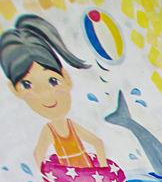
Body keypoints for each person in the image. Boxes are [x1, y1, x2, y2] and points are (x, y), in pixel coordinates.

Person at [1, 14, 110, 173]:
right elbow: (38, 153)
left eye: (53, 81)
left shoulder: (72, 127)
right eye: (27, 84)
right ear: (14, 90)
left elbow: (97, 142)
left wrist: (103, 169)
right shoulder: (49, 131)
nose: (45, 94)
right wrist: (49, 178)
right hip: (70, 179)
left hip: (89, 175)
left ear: (66, 79)